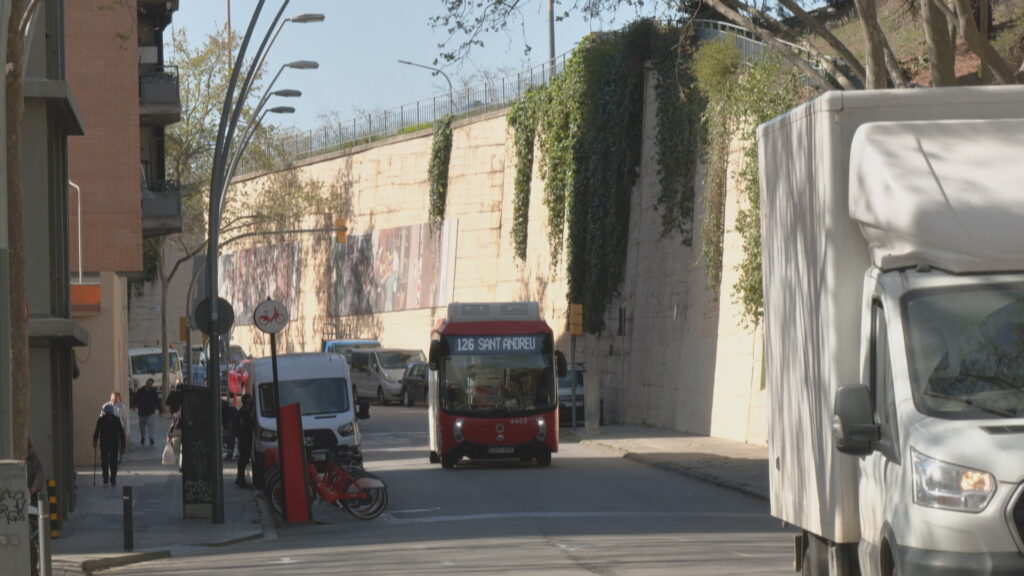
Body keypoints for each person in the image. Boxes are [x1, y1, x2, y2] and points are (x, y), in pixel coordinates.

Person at [93, 404, 126, 486]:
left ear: (112, 412)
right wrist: (95, 440)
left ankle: (113, 478)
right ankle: (105, 477)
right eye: (107, 413)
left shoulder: (117, 420)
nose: (109, 414)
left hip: (114, 444)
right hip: (104, 444)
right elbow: (97, 431)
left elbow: (122, 433)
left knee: (113, 462)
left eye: (110, 413)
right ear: (105, 413)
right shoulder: (101, 420)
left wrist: (123, 445)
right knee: (104, 461)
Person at [234, 394, 255, 489]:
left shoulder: (245, 411)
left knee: (243, 460)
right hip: (244, 439)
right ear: (246, 401)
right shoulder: (243, 413)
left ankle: (240, 478)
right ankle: (241, 480)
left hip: (245, 439)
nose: (251, 400)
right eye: (250, 399)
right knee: (243, 459)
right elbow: (244, 425)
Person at [101, 391, 128, 462]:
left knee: (119, 446)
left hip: (119, 430)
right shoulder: (106, 406)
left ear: (119, 398)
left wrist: (125, 431)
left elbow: (125, 419)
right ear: (111, 398)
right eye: (113, 398)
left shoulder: (122, 407)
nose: (115, 399)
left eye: (116, 398)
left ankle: (118, 459)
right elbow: (101, 417)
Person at [135, 378, 160, 446]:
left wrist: (160, 409)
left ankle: (151, 438)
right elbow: (136, 399)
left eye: (151, 384)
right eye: (148, 383)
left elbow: (157, 400)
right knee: (142, 427)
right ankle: (143, 437)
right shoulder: (140, 391)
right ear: (146, 383)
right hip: (142, 412)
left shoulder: (153, 391)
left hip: (150, 412)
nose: (149, 385)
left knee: (150, 426)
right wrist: (134, 405)